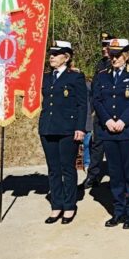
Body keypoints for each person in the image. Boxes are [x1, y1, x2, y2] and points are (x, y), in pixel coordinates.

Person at [92, 39, 129, 229]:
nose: (113, 58)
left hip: (128, 130)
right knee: (115, 174)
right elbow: (97, 100)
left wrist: (122, 121)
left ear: (126, 55)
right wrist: (107, 120)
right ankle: (118, 211)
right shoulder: (102, 76)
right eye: (111, 54)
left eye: (117, 55)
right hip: (109, 131)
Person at [38, 41, 87, 224]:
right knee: (53, 169)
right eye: (51, 53)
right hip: (48, 128)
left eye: (56, 54)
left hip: (67, 129)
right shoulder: (46, 77)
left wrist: (80, 128)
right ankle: (56, 205)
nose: (52, 56)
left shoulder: (75, 77)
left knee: (67, 168)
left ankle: (69, 206)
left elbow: (82, 104)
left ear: (66, 57)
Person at [81, 33, 114, 189]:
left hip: (114, 113)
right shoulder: (100, 65)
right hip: (99, 113)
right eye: (102, 45)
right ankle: (93, 176)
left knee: (115, 147)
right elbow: (95, 89)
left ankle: (117, 178)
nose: (103, 48)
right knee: (96, 146)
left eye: (107, 45)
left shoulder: (118, 64)